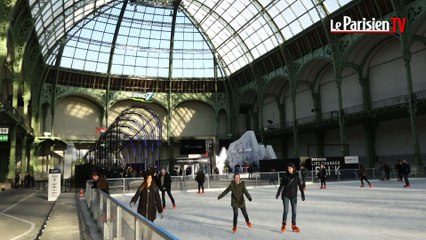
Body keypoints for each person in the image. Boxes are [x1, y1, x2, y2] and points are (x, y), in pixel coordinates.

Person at [275, 163, 305, 233]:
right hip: (285, 195)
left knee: (294, 211)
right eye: (288, 168)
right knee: (286, 211)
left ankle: (293, 225)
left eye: (290, 168)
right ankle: (284, 225)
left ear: (293, 168)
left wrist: (302, 194)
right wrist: (278, 194)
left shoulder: (296, 176)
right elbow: (281, 186)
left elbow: (300, 186)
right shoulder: (285, 176)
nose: (289, 169)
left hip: (294, 196)